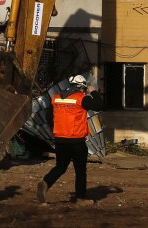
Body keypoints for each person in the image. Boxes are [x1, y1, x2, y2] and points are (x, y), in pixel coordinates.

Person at [37, 74, 104, 205]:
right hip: (76, 140)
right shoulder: (81, 98)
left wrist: (56, 129)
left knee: (61, 167)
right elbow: (99, 105)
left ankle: (46, 182)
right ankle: (80, 198)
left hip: (60, 139)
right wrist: (94, 92)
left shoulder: (56, 98)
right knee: (80, 170)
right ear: (81, 87)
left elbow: (49, 117)